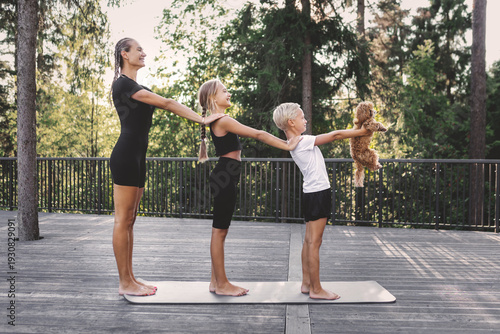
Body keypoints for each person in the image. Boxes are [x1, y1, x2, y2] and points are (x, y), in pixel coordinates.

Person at [110, 38, 226, 296]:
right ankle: (124, 282)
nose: (143, 52)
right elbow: (168, 103)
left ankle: (130, 276)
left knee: (130, 220)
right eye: (138, 49)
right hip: (126, 155)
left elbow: (166, 102)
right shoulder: (123, 84)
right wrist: (203, 119)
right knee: (122, 219)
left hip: (138, 156)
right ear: (124, 54)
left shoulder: (137, 86)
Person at [197, 79, 301, 297]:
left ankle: (215, 282)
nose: (229, 94)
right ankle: (222, 284)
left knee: (220, 231)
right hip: (225, 176)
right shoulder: (223, 120)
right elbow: (258, 134)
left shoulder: (217, 120)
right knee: (219, 232)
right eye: (224, 91)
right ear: (212, 98)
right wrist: (287, 144)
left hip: (225, 175)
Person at [273, 102, 370, 300]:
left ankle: (306, 283)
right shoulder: (302, 141)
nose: (305, 120)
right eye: (302, 117)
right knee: (314, 243)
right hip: (318, 193)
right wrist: (360, 132)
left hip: (310, 193)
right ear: (291, 122)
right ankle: (316, 289)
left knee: (309, 241)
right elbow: (335, 135)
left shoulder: (294, 143)